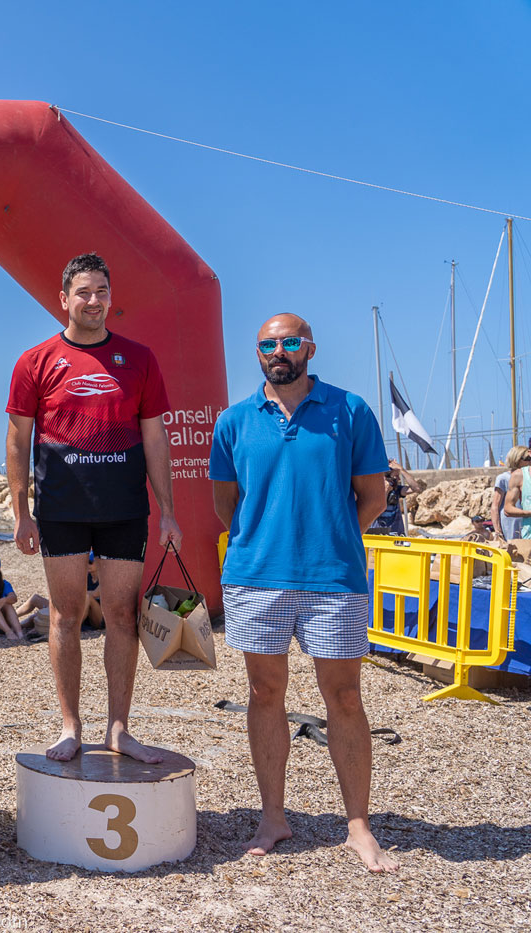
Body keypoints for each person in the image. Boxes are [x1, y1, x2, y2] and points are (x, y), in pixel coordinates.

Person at [210, 313, 398, 873]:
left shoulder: (350, 410)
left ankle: (358, 825)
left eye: (289, 342)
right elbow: (227, 506)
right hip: (255, 578)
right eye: (267, 344)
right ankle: (273, 816)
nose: (278, 352)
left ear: (309, 348)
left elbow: (371, 497)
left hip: (333, 580)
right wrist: (265, 539)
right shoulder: (234, 421)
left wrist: (331, 537)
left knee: (344, 699)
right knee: (264, 694)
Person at [7, 252, 180, 764]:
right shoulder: (35, 360)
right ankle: (69, 726)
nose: (93, 301)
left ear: (111, 296)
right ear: (64, 299)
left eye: (101, 291)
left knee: (123, 617)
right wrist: (21, 513)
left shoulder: (139, 358)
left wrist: (167, 510)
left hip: (124, 506)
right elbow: (18, 441)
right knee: (66, 615)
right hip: (62, 506)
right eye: (83, 292)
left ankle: (119, 729)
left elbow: (156, 438)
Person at [0, 554, 48, 640]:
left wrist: (3, 600)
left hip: (0, 623)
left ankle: (20, 634)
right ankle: (9, 632)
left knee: (7, 603)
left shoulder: (4, 584)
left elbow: (14, 598)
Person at [369, 460, 422, 536]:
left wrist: (402, 469)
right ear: (386, 476)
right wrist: (386, 492)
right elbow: (377, 510)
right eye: (396, 476)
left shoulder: (397, 490)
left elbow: (416, 488)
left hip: (396, 534)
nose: (398, 479)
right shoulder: (372, 490)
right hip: (379, 535)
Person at [497, 447, 531, 543]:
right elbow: (497, 506)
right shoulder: (510, 477)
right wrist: (497, 531)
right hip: (515, 522)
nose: (528, 462)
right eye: (526, 459)